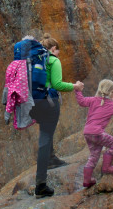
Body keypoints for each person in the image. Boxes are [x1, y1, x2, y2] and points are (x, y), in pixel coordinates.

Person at [28, 34, 82, 198]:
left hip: (31, 103)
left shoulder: (32, 60)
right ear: (53, 49)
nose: (59, 54)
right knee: (45, 135)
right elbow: (58, 84)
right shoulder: (53, 60)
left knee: (45, 130)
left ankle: (51, 157)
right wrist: (75, 86)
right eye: (58, 50)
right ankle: (41, 184)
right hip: (48, 102)